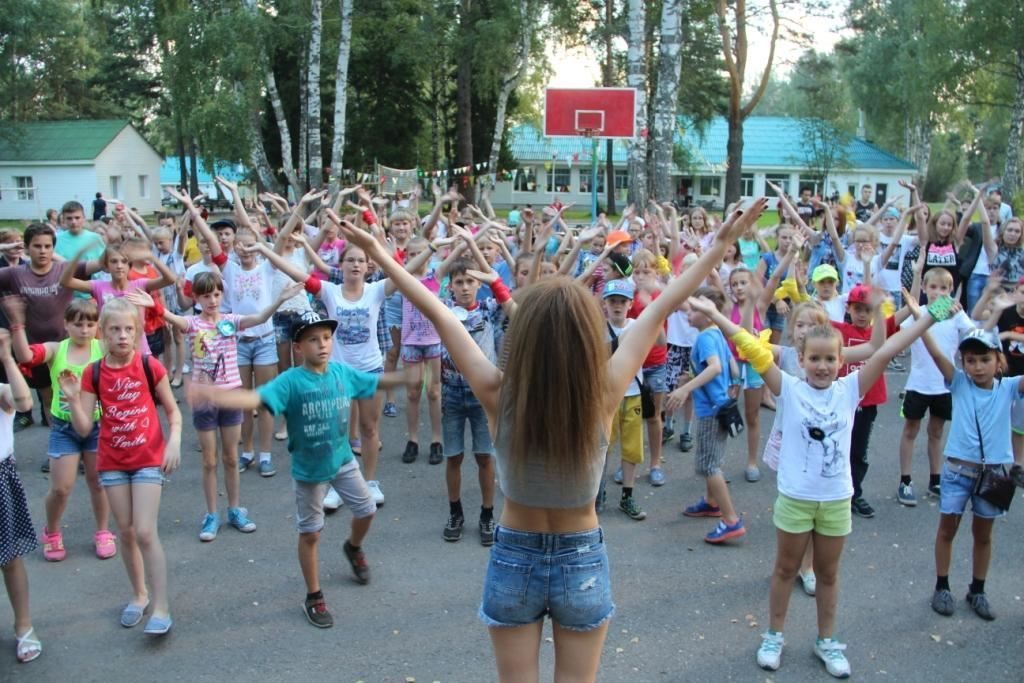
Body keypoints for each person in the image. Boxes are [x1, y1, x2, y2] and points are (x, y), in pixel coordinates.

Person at [336, 197, 768, 680]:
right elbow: (665, 302)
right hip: (580, 553)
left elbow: (437, 310)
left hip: (513, 554)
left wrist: (376, 249)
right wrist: (723, 243)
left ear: (523, 336)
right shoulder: (602, 391)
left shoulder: (499, 391)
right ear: (586, 337)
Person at [723, 290, 942, 678]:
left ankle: (827, 640)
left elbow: (890, 348)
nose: (822, 366)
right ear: (801, 359)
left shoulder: (849, 390)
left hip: (836, 500)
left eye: (829, 359)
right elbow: (751, 348)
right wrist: (714, 313)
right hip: (796, 499)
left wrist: (931, 315)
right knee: (785, 570)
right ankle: (773, 635)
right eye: (814, 359)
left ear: (841, 361)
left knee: (827, 574)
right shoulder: (788, 388)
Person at [188, 311, 406, 628]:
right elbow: (253, 398)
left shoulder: (342, 373)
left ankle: (353, 546)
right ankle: (313, 596)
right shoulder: (290, 381)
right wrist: (212, 394)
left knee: (367, 510)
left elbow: (375, 381)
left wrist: (409, 376)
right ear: (299, 347)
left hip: (343, 461)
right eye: (313, 339)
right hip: (309, 472)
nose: (322, 345)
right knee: (311, 534)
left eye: (327, 338)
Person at [59, 298, 182, 636]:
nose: (123, 336)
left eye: (129, 329)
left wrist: (173, 442)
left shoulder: (149, 366)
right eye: (115, 329)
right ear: (102, 334)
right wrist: (71, 400)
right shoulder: (93, 372)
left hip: (146, 458)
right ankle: (139, 594)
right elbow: (84, 428)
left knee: (144, 531)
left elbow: (173, 412)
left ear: (138, 331)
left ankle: (161, 605)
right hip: (111, 461)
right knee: (125, 531)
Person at [148, 272, 300, 541]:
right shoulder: (193, 324)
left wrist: (280, 300)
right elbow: (170, 317)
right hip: (205, 401)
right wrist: (151, 304)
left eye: (217, 294)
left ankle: (235, 509)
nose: (212, 300)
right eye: (206, 295)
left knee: (231, 457)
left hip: (231, 397)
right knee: (209, 460)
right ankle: (211, 514)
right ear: (196, 298)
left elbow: (259, 318)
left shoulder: (231, 321)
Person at [922, 326, 1023, 622]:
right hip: (957, 471)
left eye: (984, 359)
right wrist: (921, 317)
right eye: (970, 360)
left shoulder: (1010, 387)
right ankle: (942, 586)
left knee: (983, 534)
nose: (977, 367)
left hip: (994, 474)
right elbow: (936, 353)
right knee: (947, 529)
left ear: (998, 361)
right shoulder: (959, 384)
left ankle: (977, 590)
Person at [6, 298, 113, 561]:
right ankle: (52, 531)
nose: (84, 330)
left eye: (90, 324)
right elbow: (26, 357)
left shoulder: (102, 347)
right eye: (78, 324)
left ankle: (103, 531)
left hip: (97, 424)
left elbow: (130, 346)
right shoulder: (58, 349)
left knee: (98, 483)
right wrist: (18, 324)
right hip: (64, 427)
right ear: (65, 324)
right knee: (61, 488)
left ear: (97, 325)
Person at [0, 224, 100, 432]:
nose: (43, 251)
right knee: (49, 401)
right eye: (37, 246)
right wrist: (4, 247)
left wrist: (106, 242)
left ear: (53, 249)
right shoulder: (14, 274)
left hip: (67, 346)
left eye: (47, 246)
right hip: (36, 350)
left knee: (77, 397)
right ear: (26, 248)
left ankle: (83, 443)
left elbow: (100, 264)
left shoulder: (64, 269)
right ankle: (59, 442)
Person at [668, 287, 746, 543]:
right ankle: (712, 503)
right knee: (712, 459)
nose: (688, 313)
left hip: (711, 411)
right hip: (721, 407)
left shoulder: (704, 338)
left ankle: (731, 520)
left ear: (709, 315)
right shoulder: (716, 334)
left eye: (693, 310)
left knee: (709, 465)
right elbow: (731, 367)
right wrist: (732, 381)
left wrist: (685, 389)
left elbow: (714, 367)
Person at [897, 268, 973, 505]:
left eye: (944, 288)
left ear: (951, 291)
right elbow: (901, 335)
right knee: (911, 430)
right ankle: (906, 480)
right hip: (919, 384)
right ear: (924, 289)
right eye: (933, 288)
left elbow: (972, 334)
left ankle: (936, 479)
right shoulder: (917, 312)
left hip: (944, 385)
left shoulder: (956, 314)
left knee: (937, 432)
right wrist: (911, 308)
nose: (938, 293)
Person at [0, 328, 42, 662]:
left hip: (0, 476)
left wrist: (5, 357)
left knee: (10, 558)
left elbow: (24, 401)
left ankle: (24, 626)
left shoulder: (2, 389)